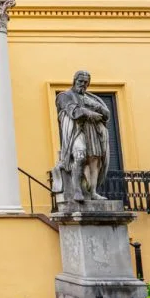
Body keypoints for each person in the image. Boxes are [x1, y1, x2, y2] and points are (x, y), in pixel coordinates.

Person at [51, 70, 110, 204]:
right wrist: (88, 112)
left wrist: (96, 106)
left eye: (86, 82)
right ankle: (77, 189)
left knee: (95, 160)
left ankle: (93, 192)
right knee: (80, 154)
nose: (83, 84)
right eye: (80, 81)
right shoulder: (64, 96)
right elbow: (72, 111)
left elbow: (107, 115)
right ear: (74, 81)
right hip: (75, 130)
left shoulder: (91, 98)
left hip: (92, 130)